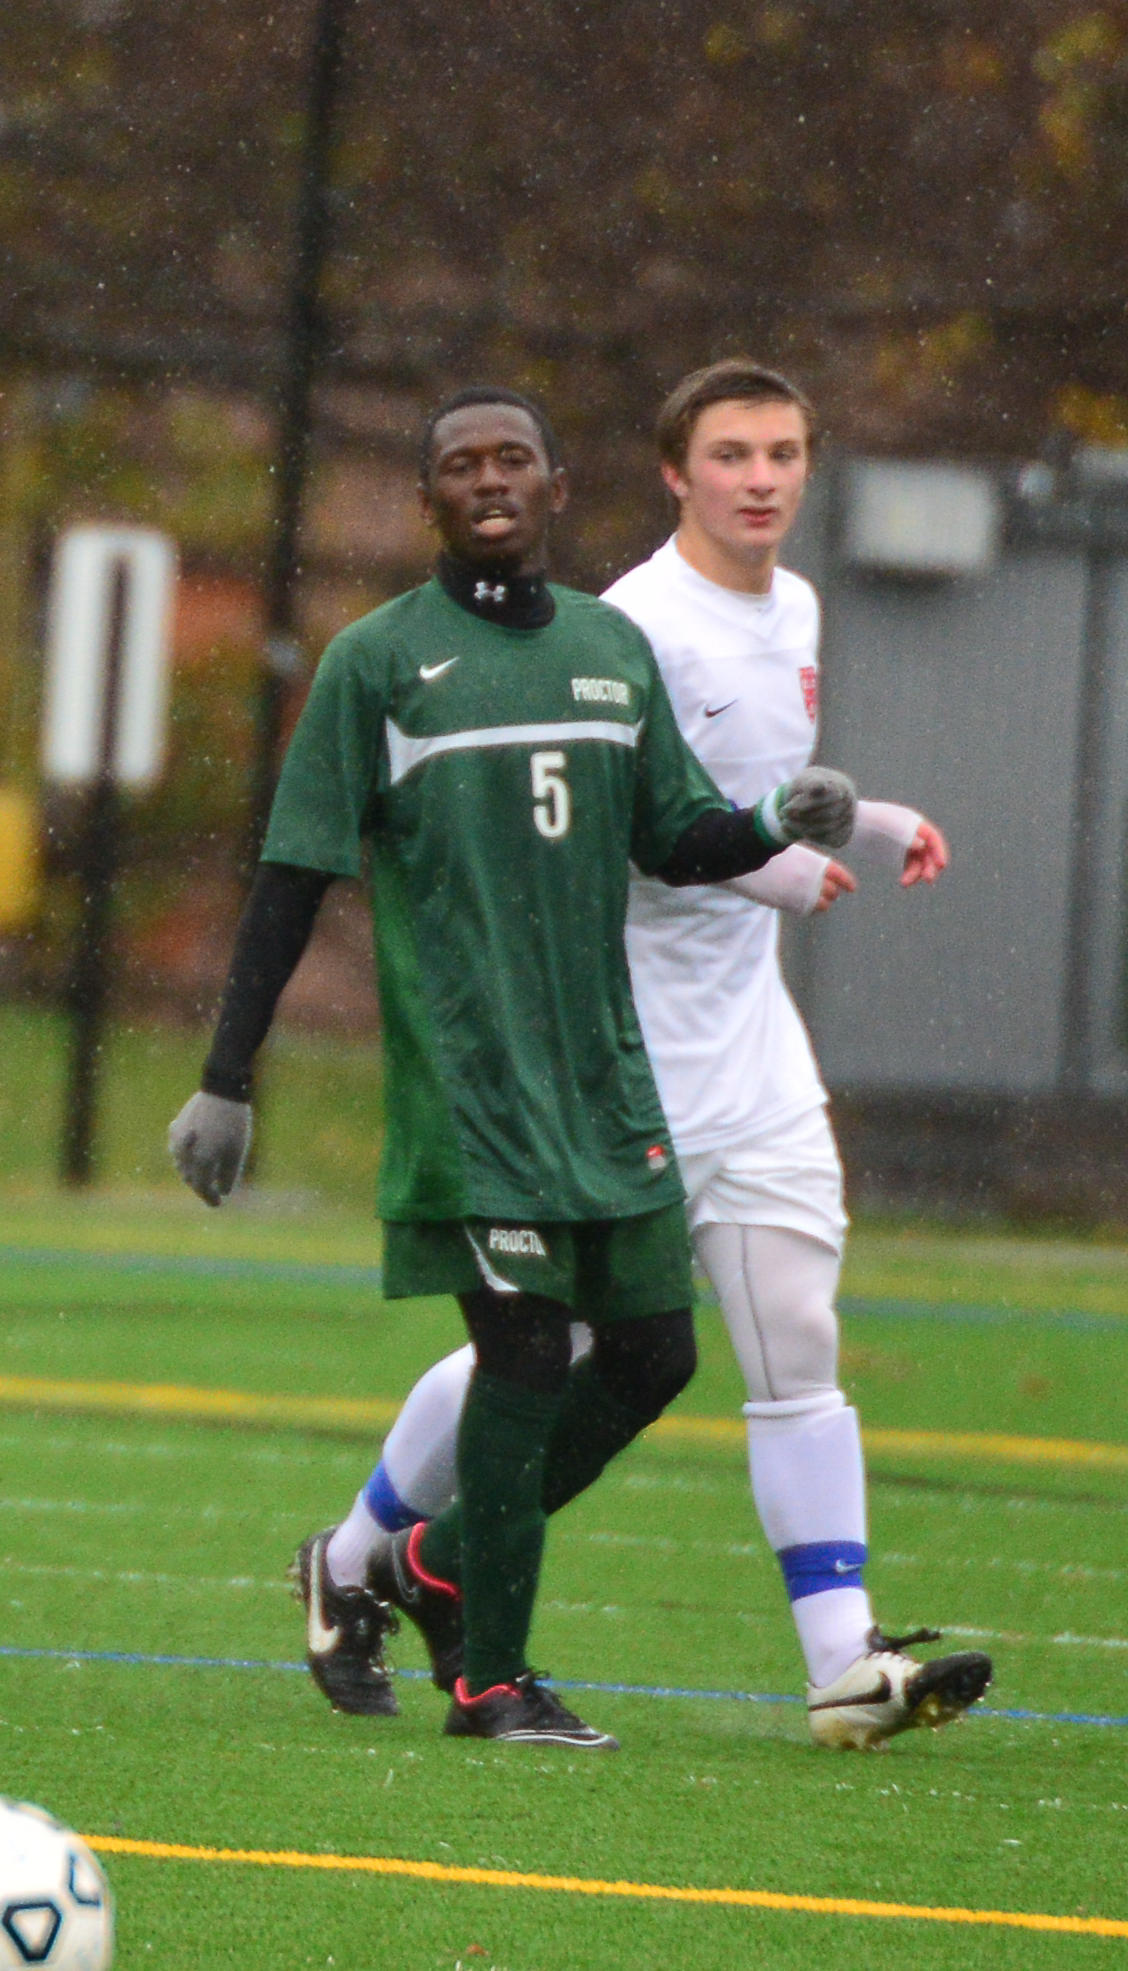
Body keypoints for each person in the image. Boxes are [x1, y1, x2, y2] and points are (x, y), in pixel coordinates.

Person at [293, 362, 990, 1748]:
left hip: (752, 1037)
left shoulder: (793, 603)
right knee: (547, 1345)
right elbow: (628, 838)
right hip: (622, 1046)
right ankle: (368, 1546)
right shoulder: (622, 626)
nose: (760, 477)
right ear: (673, 474)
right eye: (729, 453)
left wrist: (856, 819)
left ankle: (842, 1663)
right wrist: (774, 869)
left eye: (784, 451)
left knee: (795, 1335)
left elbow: (746, 796)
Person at [171, 385, 858, 1750]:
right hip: (470, 1090)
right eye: (456, 466)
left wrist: (772, 823)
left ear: (554, 487)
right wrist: (224, 1075)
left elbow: (670, 832)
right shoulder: (374, 663)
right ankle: (490, 1679)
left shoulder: (608, 648)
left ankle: (430, 1565)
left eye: (511, 461)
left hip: (605, 1077)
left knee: (655, 1354)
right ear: (425, 502)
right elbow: (294, 873)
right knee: (526, 1350)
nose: (486, 481)